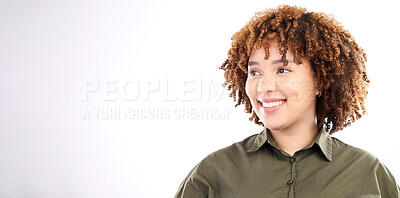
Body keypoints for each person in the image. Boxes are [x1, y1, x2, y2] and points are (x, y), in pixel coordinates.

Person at [174, 5, 399, 198]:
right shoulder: (213, 174)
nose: (264, 86)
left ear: (320, 81)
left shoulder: (369, 174)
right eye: (255, 72)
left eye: (282, 69)